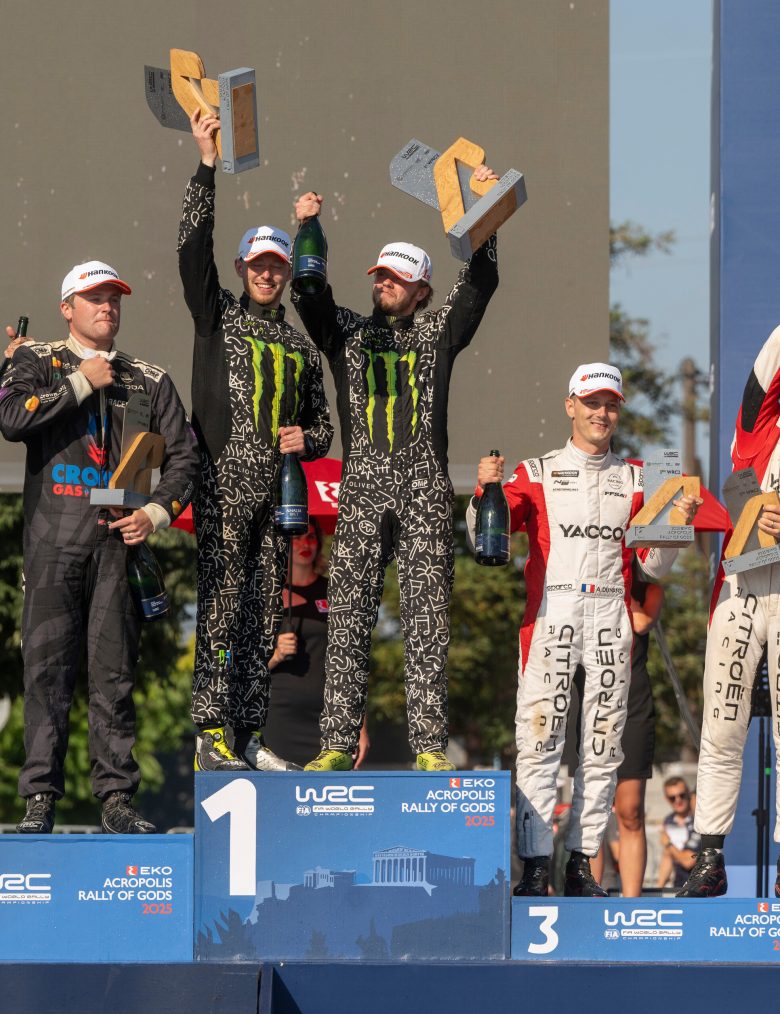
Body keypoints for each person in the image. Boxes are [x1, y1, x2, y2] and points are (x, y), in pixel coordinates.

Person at [292, 172, 499, 773]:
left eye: (397, 278)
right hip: (362, 487)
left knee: (427, 619)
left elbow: (481, 282)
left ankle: (429, 745)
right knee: (348, 616)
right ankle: (336, 743)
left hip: (424, 487)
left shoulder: (439, 333)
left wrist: (484, 216)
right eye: (380, 275)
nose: (384, 283)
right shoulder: (348, 334)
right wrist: (307, 227)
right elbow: (309, 296)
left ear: (421, 289)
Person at [468, 363, 701, 896]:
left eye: (611, 405)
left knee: (603, 745)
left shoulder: (639, 478)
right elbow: (488, 536)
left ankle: (581, 862)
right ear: (570, 405)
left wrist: (677, 524)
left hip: (611, 614)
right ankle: (534, 867)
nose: (602, 413)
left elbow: (652, 566)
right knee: (540, 740)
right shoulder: (537, 471)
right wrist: (484, 492)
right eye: (592, 403)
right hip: (552, 615)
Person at [0, 260, 200, 834]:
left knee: (115, 677)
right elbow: (10, 418)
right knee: (46, 674)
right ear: (67, 308)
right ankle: (39, 798)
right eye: (94, 297)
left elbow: (183, 457)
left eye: (114, 298)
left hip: (118, 544)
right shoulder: (37, 360)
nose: (107, 306)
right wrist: (81, 381)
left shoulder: (149, 378)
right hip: (53, 543)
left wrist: (154, 513)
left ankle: (116, 798)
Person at [178, 110, 333, 773]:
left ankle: (247, 732)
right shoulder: (217, 314)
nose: (267, 274)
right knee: (220, 608)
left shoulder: (300, 345)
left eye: (276, 266)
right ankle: (209, 731)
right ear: (242, 267)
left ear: (286, 272)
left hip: (278, 496)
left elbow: (324, 427)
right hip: (223, 486)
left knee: (264, 611)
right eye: (258, 265)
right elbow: (192, 249)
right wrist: (206, 165)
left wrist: (307, 440)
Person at [677, 325, 780, 897]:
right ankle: (710, 857)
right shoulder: (758, 426)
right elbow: (767, 364)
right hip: (739, 589)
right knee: (722, 727)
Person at [569, 566, 664, 896]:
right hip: (593, 707)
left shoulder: (648, 591)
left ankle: (631, 902)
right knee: (592, 809)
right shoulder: (581, 586)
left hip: (633, 705)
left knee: (630, 811)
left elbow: (641, 623)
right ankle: (591, 893)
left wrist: (619, 590)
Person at [263, 520, 371, 769]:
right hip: (278, 715)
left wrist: (361, 725)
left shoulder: (335, 591)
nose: (305, 544)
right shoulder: (266, 594)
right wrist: (275, 655)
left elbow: (353, 661)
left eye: (311, 537)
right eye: (297, 537)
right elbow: (237, 664)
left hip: (331, 715)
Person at [657, 776, 699, 890]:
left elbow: (688, 861)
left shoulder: (698, 821)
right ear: (666, 799)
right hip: (678, 887)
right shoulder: (669, 821)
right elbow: (667, 856)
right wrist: (659, 888)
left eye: (682, 795)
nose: (678, 800)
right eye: (672, 798)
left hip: (699, 888)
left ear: (689, 794)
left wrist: (668, 844)